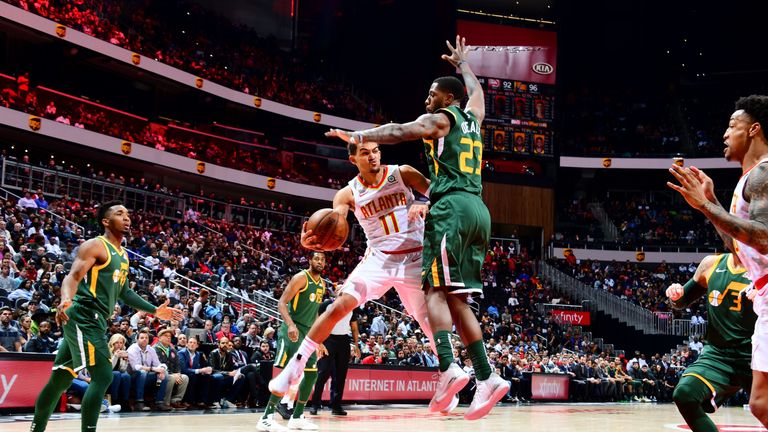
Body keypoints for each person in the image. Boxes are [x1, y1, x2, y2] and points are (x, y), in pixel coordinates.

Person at [319, 35, 509, 420]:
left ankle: (450, 368)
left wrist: (361, 136)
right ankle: (485, 376)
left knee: (433, 291)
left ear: (446, 99)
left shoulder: (442, 120)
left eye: (432, 94)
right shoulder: (474, 117)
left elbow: (399, 131)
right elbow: (477, 94)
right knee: (457, 299)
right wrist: (465, 65)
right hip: (479, 209)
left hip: (451, 206)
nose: (427, 100)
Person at [269, 138, 462, 419]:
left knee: (429, 321)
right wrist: (317, 242)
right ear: (353, 159)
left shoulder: (402, 173)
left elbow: (443, 196)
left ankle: (449, 378)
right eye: (364, 153)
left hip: (416, 256)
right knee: (340, 304)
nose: (372, 157)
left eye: (375, 151)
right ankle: (293, 369)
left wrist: (424, 204)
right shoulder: (347, 194)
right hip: (380, 258)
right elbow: (336, 221)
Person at [30, 201, 182, 431]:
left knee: (60, 380)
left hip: (97, 319)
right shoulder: (95, 245)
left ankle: (36, 429)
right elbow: (72, 276)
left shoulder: (123, 255)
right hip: (83, 314)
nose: (127, 217)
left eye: (128, 214)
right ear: (105, 221)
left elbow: (124, 292)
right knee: (103, 375)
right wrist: (65, 299)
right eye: (119, 214)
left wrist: (154, 310)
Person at [668, 95, 768, 426]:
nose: (725, 133)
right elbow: (740, 247)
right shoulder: (751, 177)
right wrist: (710, 203)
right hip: (763, 294)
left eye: (732, 126)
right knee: (761, 403)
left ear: (754, 130)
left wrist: (706, 206)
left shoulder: (763, 174)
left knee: (762, 403)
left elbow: (763, 238)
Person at [666, 253, 755, 431]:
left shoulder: (763, 268)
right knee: (685, 394)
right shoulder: (711, 264)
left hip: (756, 355)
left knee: (763, 409)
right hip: (718, 354)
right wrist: (675, 295)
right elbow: (681, 301)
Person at [259, 253, 327, 431]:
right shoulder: (300, 278)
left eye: (323, 260)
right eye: (317, 259)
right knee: (288, 373)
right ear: (310, 261)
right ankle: (266, 417)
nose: (320, 262)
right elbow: (281, 302)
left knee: (311, 374)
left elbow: (315, 314)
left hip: (309, 335)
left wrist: (319, 339)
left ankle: (297, 416)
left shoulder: (322, 284)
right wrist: (290, 325)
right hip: (293, 331)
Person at [309, 295, 360, 416]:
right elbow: (316, 322)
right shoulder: (326, 304)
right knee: (323, 372)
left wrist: (356, 345)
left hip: (343, 341)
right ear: (336, 293)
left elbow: (354, 327)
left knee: (341, 375)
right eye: (340, 291)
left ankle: (336, 405)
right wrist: (319, 342)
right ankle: (315, 404)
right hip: (328, 339)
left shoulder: (351, 307)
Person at [107, 333, 132, 410]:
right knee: (117, 374)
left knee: (126, 376)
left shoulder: (123, 352)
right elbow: (109, 368)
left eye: (121, 343)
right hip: (107, 375)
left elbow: (123, 370)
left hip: (117, 375)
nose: (119, 345)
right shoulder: (107, 352)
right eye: (117, 342)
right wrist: (115, 356)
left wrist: (125, 361)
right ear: (112, 343)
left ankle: (125, 401)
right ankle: (115, 400)